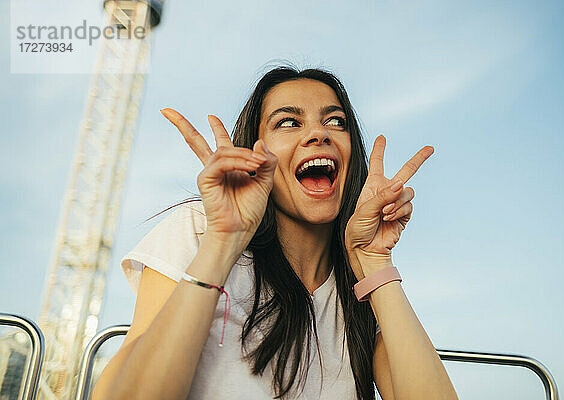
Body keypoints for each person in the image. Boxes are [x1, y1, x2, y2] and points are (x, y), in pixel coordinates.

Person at [91, 65, 458, 400]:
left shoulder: (361, 290)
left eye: (335, 121)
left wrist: (374, 262)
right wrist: (222, 243)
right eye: (288, 122)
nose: (318, 133)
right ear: (255, 152)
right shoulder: (200, 230)